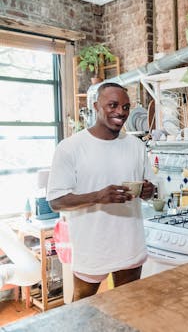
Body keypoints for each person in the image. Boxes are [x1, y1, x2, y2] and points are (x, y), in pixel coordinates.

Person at [47, 82, 155, 301]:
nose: (120, 112)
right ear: (96, 106)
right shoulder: (71, 147)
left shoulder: (136, 145)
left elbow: (149, 189)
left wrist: (148, 191)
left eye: (126, 107)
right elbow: (56, 201)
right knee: (82, 311)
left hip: (130, 244)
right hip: (92, 247)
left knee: (129, 308)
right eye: (112, 105)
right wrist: (98, 197)